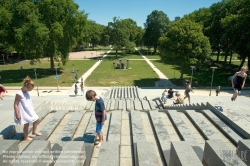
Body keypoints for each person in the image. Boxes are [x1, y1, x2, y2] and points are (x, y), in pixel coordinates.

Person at [13, 76, 42, 141]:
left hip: (29, 110)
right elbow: (15, 104)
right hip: (23, 111)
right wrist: (17, 114)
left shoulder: (26, 92)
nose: (30, 90)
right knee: (26, 124)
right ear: (26, 87)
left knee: (37, 119)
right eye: (30, 89)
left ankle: (34, 131)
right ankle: (26, 137)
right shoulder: (19, 93)